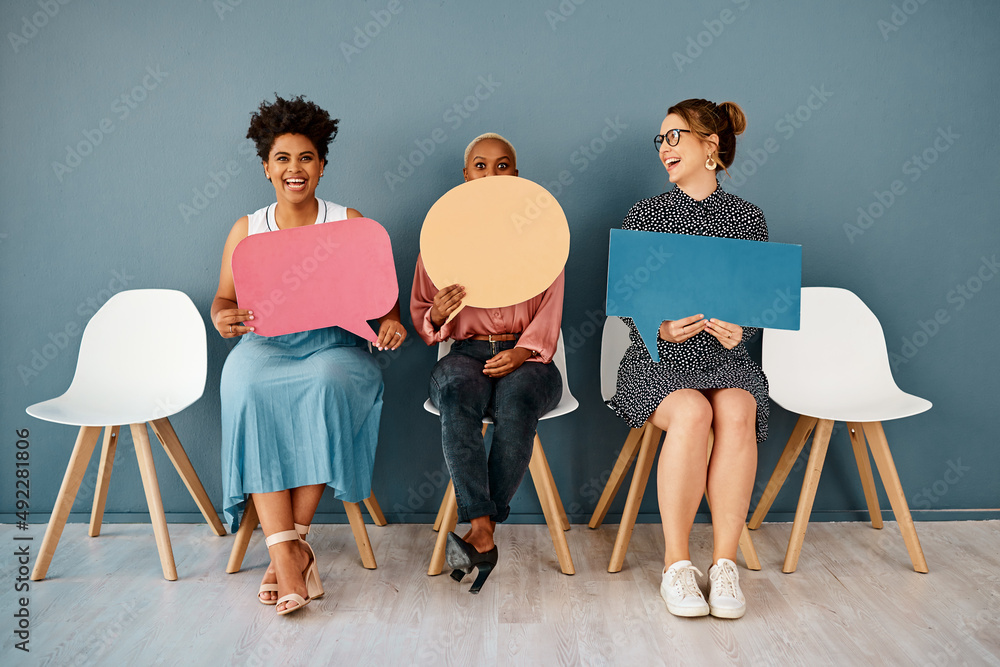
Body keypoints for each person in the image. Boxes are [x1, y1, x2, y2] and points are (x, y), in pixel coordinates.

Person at [212, 95, 406, 616]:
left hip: (335, 346)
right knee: (247, 386)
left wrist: (390, 325)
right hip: (266, 346)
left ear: (321, 164)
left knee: (325, 383)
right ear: (266, 167)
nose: (294, 169)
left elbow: (382, 307)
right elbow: (225, 300)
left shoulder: (349, 222)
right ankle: (291, 551)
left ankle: (287, 556)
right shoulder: (247, 229)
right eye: (283, 158)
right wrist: (221, 316)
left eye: (305, 158)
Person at [609, 99, 768, 619]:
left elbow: (758, 305)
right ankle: (676, 567)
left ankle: (723, 567)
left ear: (711, 146)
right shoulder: (645, 214)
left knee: (738, 410)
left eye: (675, 137)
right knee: (694, 413)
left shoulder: (748, 218)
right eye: (661, 140)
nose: (665, 148)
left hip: (725, 361)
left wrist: (740, 332)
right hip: (658, 360)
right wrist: (658, 327)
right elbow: (628, 304)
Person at [410, 133, 564, 593]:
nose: (491, 173)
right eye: (480, 165)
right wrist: (437, 313)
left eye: (502, 166)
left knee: (518, 396)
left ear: (516, 175)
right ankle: (483, 524)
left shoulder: (545, 236)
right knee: (458, 391)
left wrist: (523, 351)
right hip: (467, 352)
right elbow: (423, 313)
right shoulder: (442, 238)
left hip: (528, 353)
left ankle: (479, 531)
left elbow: (553, 307)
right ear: (466, 176)